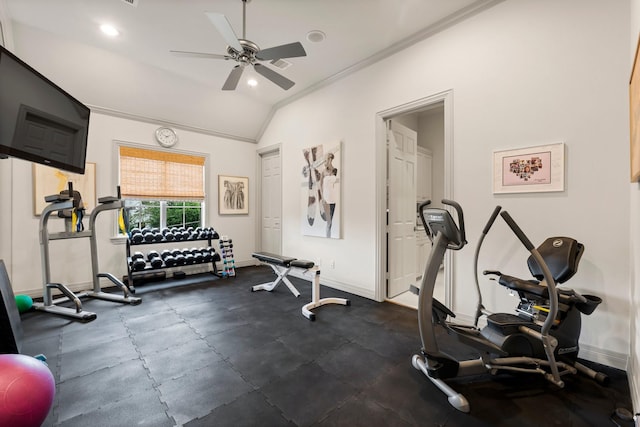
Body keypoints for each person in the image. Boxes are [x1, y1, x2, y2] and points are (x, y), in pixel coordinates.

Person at [322, 167, 339, 237]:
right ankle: (328, 235)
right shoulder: (333, 178)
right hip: (331, 201)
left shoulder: (326, 179)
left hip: (327, 201)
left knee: (329, 222)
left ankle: (328, 234)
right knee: (329, 222)